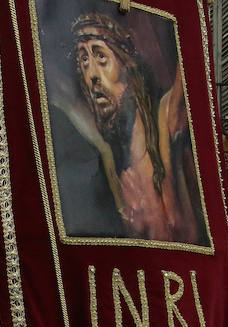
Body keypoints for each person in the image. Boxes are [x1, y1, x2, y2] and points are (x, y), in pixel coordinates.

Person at [63, 12, 205, 244]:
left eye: (101, 57)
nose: (92, 75)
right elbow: (66, 101)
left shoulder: (165, 117)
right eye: (84, 61)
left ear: (127, 66)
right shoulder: (109, 158)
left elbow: (190, 64)